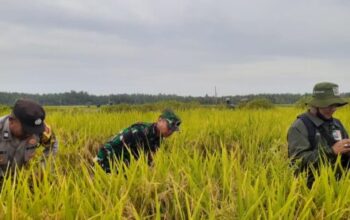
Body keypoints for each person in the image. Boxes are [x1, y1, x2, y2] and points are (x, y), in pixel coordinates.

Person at [287, 82, 350, 187]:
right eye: (328, 105)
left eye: (335, 105)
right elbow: (298, 163)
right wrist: (332, 151)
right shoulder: (299, 127)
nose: (333, 109)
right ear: (315, 104)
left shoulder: (337, 124)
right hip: (311, 191)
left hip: (338, 188)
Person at [96, 109, 181, 173]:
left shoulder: (159, 138)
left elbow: (149, 158)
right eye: (169, 127)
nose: (170, 132)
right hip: (107, 157)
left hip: (124, 164)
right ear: (159, 120)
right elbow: (112, 147)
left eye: (173, 130)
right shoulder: (140, 131)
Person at [0, 99, 58, 177]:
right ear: (11, 121)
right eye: (26, 130)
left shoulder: (40, 130)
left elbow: (52, 145)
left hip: (20, 178)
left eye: (34, 131)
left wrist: (43, 169)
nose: (31, 134)